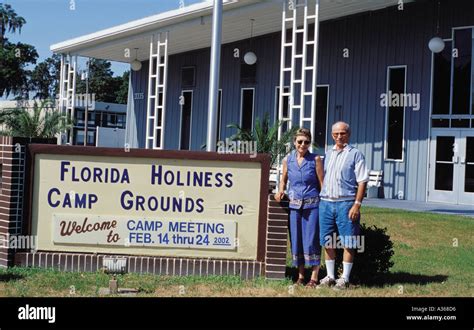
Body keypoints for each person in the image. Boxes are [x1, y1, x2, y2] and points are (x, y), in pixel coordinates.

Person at [318, 121, 369, 290]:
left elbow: (362, 181)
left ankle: (344, 278)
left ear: (349, 134)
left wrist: (357, 204)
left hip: (346, 203)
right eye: (336, 134)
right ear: (332, 135)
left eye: (343, 133)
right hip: (326, 203)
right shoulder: (328, 153)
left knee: (348, 241)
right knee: (327, 241)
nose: (339, 136)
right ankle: (330, 276)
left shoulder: (356, 154)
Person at [274, 128, 324, 287]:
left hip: (313, 204)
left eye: (306, 142)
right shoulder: (287, 160)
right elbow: (284, 180)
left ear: (310, 143)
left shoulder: (316, 159)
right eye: (300, 141)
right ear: (294, 142)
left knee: (312, 239)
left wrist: (325, 202)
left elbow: (322, 183)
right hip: (294, 205)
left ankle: (314, 277)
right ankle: (301, 276)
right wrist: (280, 190)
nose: (303, 145)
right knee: (297, 240)